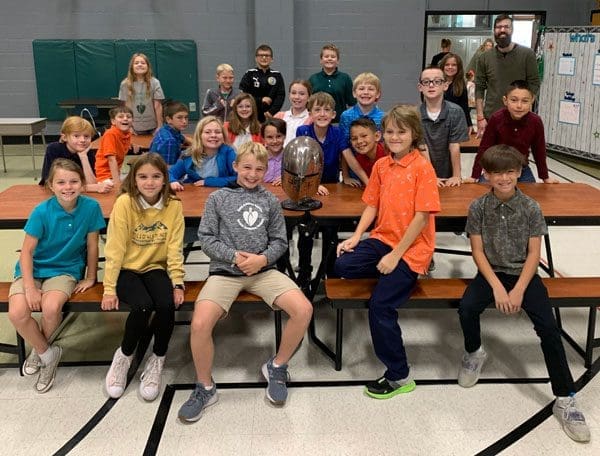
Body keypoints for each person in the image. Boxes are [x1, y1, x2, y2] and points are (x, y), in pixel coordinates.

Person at [457, 144, 590, 443]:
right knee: (467, 308)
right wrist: (496, 286)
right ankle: (474, 351)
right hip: (492, 273)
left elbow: (533, 254)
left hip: (524, 275)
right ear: (486, 175)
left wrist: (517, 290)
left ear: (519, 172)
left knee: (549, 328)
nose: (504, 178)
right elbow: (477, 252)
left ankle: (565, 398)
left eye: (510, 172)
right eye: (497, 173)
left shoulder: (531, 207)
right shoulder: (478, 207)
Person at [177, 142, 313, 422]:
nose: (252, 174)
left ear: (266, 171)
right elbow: (206, 238)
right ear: (236, 166)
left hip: (263, 271)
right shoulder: (218, 198)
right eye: (247, 167)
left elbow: (280, 241)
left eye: (259, 169)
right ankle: (205, 387)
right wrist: (235, 257)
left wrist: (262, 260)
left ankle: (277, 366)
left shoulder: (270, 201)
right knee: (200, 324)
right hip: (225, 272)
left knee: (304, 309)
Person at [334, 104, 440, 399]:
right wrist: (357, 236)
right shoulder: (382, 166)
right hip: (383, 238)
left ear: (414, 134)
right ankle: (391, 278)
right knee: (342, 265)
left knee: (380, 306)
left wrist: (395, 258)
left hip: (411, 249)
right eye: (390, 131)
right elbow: (372, 204)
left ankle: (399, 375)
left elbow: (421, 218)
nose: (395, 137)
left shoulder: (423, 168)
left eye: (401, 132)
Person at [8, 159, 105, 393]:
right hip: (33, 269)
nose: (68, 187)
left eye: (74, 181)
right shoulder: (41, 211)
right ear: (51, 185)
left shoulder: (91, 207)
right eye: (61, 182)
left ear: (82, 184)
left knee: (51, 308)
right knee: (17, 313)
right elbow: (27, 252)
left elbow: (93, 245)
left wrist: (91, 276)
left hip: (65, 269)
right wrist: (30, 287)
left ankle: (39, 350)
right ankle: (47, 353)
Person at [102, 153, 185, 401]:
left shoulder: (174, 205)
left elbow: (175, 247)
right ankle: (124, 356)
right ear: (134, 180)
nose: (149, 182)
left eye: (156, 176)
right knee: (142, 306)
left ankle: (157, 358)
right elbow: (114, 248)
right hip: (126, 269)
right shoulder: (125, 203)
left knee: (167, 305)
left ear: (164, 179)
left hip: (154, 268)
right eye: (143, 176)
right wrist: (109, 288)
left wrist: (178, 282)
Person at [467, 80, 559, 184]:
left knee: (531, 192)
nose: (519, 106)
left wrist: (545, 177)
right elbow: (484, 148)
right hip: (496, 167)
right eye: (514, 100)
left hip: (521, 168)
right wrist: (474, 175)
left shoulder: (535, 121)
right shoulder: (496, 118)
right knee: (484, 190)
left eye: (525, 101)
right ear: (505, 100)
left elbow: (539, 151)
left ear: (532, 100)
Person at [475, 14, 540, 138]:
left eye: (506, 27)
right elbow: (479, 87)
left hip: (520, 118)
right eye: (499, 27)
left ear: (512, 30)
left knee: (518, 150)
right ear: (494, 30)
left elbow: (534, 83)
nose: (502, 30)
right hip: (491, 118)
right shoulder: (484, 58)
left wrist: (524, 106)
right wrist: (480, 117)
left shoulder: (527, 55)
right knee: (491, 150)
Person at [418, 65, 468, 187]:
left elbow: (454, 145)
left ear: (445, 85)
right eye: (426, 82)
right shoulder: (415, 114)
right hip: (422, 173)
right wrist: (430, 176)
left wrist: (456, 175)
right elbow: (422, 147)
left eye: (437, 81)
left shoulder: (456, 112)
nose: (431, 85)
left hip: (448, 172)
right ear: (420, 87)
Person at [39, 116, 113, 193]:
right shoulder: (54, 149)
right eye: (76, 136)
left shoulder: (89, 152)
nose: (82, 140)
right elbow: (49, 184)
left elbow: (92, 183)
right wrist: (90, 188)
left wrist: (83, 157)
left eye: (86, 136)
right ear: (64, 137)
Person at [338, 72, 385, 184]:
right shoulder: (346, 116)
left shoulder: (383, 117)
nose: (366, 92)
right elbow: (345, 148)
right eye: (361, 88)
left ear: (378, 94)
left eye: (371, 89)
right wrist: (346, 176)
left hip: (378, 172)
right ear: (354, 93)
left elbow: (385, 147)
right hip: (354, 174)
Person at [169, 116, 237, 191]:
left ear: (223, 136)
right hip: (195, 194)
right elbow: (170, 173)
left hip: (222, 194)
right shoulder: (189, 154)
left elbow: (239, 178)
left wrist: (209, 182)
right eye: (207, 132)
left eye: (217, 132)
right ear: (199, 135)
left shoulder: (228, 153)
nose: (213, 135)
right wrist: (172, 181)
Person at [118, 53, 165, 134]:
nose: (140, 65)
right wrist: (129, 126)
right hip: (134, 127)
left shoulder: (155, 82)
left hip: (153, 127)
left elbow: (157, 106)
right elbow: (126, 107)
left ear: (148, 66)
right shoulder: (125, 84)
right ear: (132, 67)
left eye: (143, 63)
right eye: (136, 63)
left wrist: (160, 126)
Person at [308, 43, 355, 122]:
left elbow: (352, 103)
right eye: (326, 56)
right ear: (321, 60)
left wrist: (348, 121)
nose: (329, 59)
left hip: (339, 123)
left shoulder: (345, 78)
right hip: (318, 122)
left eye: (333, 57)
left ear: (338, 61)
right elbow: (308, 104)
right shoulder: (313, 79)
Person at [239, 44, 285, 122]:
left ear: (272, 59)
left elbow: (280, 96)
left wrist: (272, 112)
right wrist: (260, 100)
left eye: (267, 55)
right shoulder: (249, 74)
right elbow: (243, 95)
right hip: (251, 115)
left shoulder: (277, 75)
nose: (264, 58)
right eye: (261, 55)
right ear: (256, 58)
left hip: (270, 116)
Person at [94, 106, 136, 184]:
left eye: (128, 116)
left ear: (132, 121)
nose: (125, 118)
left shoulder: (127, 134)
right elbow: (111, 159)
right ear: (113, 121)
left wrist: (132, 145)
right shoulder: (110, 134)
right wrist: (117, 183)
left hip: (117, 173)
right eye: (121, 116)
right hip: (105, 176)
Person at [341, 117, 386, 187]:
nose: (359, 141)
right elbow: (345, 156)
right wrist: (346, 176)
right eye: (354, 138)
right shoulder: (358, 158)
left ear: (377, 136)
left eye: (364, 136)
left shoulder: (388, 154)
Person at [439, 53, 473, 135]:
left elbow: (464, 106)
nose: (450, 67)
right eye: (447, 65)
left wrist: (468, 123)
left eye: (454, 65)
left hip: (454, 124)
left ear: (458, 68)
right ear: (442, 66)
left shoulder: (461, 85)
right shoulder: (435, 83)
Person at [149, 101, 191, 166]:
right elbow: (168, 169)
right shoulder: (169, 141)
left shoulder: (166, 129)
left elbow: (183, 138)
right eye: (179, 117)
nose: (184, 121)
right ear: (168, 119)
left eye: (186, 117)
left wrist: (195, 144)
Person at [275, 79, 312, 146]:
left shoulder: (312, 120)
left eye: (302, 94)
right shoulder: (278, 116)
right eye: (293, 93)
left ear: (309, 97)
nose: (297, 97)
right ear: (289, 95)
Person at [261, 117, 286, 186]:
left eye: (278, 136)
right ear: (263, 138)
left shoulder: (291, 158)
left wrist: (288, 180)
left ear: (284, 136)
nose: (275, 141)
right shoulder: (258, 157)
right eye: (270, 137)